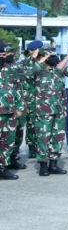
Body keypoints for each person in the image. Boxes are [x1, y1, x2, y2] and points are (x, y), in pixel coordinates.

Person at [32, 45, 68, 176]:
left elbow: (62, 92)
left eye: (54, 55)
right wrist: (42, 57)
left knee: (58, 137)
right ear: (44, 58)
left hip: (59, 110)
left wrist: (65, 108)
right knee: (43, 137)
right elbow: (28, 69)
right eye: (50, 56)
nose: (53, 58)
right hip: (44, 111)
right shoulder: (38, 71)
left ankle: (54, 164)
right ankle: (43, 166)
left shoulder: (57, 72)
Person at [0, 41, 23, 180]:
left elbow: (17, 89)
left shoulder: (9, 70)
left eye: (5, 54)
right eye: (1, 54)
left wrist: (20, 107)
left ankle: (2, 168)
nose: (3, 57)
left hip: (9, 112)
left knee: (7, 142)